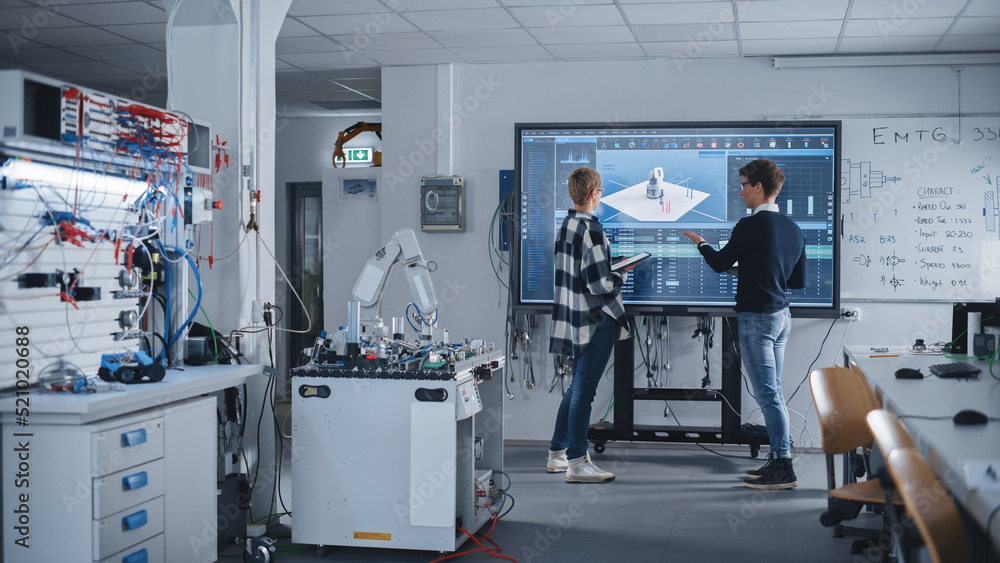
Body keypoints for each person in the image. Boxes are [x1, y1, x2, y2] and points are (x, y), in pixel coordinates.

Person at [683, 159, 805, 490]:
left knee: (768, 397)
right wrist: (754, 270)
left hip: (758, 320)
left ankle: (783, 466)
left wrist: (700, 242)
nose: (740, 192)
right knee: (774, 393)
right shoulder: (794, 229)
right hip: (782, 318)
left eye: (744, 185)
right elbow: (795, 280)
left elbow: (721, 264)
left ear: (758, 187)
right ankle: (779, 460)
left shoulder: (749, 226)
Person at [548, 167, 634, 483]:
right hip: (596, 320)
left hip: (573, 318)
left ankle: (558, 453)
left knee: (577, 389)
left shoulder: (567, 224)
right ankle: (577, 463)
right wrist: (622, 273)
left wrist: (608, 268)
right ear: (595, 192)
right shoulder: (593, 230)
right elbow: (599, 285)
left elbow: (580, 272)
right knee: (584, 392)